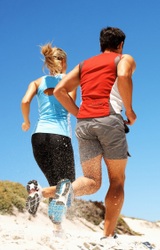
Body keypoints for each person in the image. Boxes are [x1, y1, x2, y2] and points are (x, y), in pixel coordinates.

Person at [53, 26, 137, 239]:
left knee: (91, 181)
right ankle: (107, 237)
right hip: (109, 120)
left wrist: (79, 113)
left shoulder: (84, 65)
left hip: (84, 125)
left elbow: (59, 91)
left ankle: (60, 192)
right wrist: (129, 110)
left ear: (101, 45)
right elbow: (124, 76)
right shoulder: (124, 58)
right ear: (120, 45)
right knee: (117, 181)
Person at [21, 43, 76, 235]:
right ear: (64, 62)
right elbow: (70, 105)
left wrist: (26, 121)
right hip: (59, 137)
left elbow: (25, 101)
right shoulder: (69, 81)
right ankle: (39, 193)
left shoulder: (36, 82)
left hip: (38, 137)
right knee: (67, 183)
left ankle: (57, 229)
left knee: (57, 184)